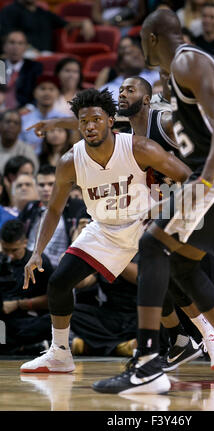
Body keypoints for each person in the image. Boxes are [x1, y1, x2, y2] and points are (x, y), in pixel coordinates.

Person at [90, 9, 214, 394]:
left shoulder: (186, 59)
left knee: (152, 246)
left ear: (151, 39)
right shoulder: (178, 74)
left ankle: (147, 364)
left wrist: (205, 180)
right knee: (181, 263)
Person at [19, 88, 191, 376]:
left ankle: (192, 340)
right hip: (104, 229)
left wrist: (170, 212)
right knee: (59, 283)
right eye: (84, 121)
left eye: (96, 119)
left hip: (143, 222)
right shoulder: (69, 161)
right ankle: (60, 353)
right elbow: (53, 210)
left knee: (164, 285)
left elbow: (188, 178)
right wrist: (37, 252)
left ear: (111, 121)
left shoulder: (137, 147)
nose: (89, 126)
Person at [0, 219, 53, 355]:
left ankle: (14, 347)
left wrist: (18, 304)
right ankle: (24, 348)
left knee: (52, 322)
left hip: (28, 319)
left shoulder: (39, 262)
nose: (10, 256)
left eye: (14, 250)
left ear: (25, 242)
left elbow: (52, 300)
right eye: (6, 250)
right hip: (4, 320)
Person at [19, 165, 84, 269]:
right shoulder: (30, 207)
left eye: (50, 184)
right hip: (30, 261)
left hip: (61, 264)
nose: (46, 189)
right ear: (36, 186)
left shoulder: (76, 206)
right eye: (41, 185)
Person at [0, 0, 95, 55]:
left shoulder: (43, 13)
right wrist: (28, 49)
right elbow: (6, 35)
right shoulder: (9, 11)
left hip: (46, 54)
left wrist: (85, 22)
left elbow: (66, 24)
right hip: (22, 54)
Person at [19, 75, 67, 154]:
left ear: (58, 94)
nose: (47, 93)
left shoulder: (65, 119)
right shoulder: (23, 120)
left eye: (51, 89)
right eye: (42, 88)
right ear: (34, 93)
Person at [1, 31, 43, 110]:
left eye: (20, 43)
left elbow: (39, 93)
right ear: (4, 46)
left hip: (25, 112)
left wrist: (28, 108)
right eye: (12, 42)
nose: (15, 47)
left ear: (26, 47)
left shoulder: (34, 67)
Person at [0, 109, 39, 175]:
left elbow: (33, 175)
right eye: (8, 122)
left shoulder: (27, 150)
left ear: (20, 128)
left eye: (16, 123)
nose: (11, 125)